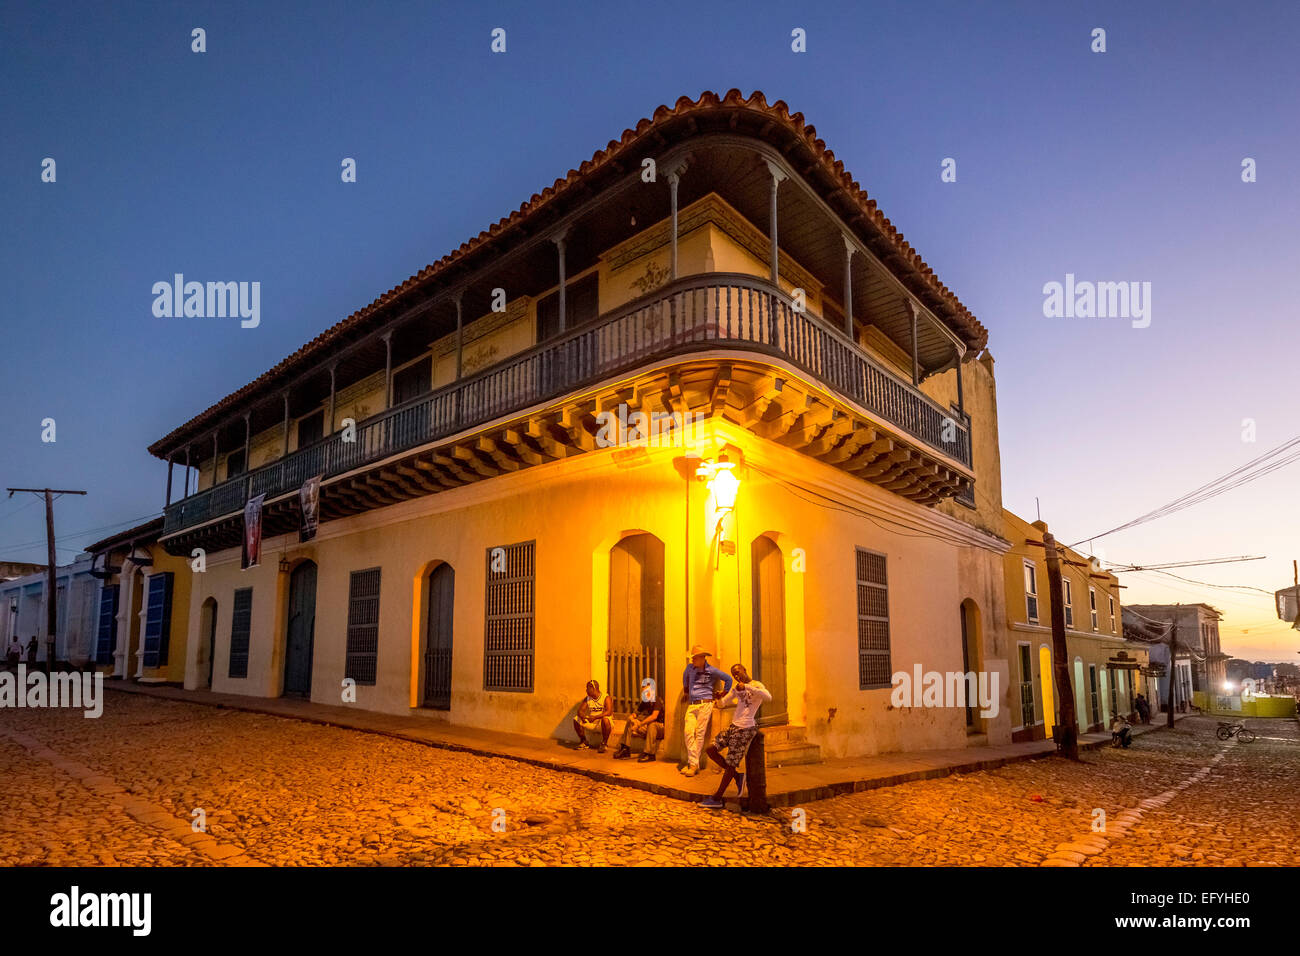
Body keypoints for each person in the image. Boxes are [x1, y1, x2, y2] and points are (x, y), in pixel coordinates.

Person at [701, 664, 771, 808]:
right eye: (734, 674)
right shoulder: (736, 688)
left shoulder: (756, 685)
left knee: (731, 762)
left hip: (746, 728)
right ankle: (738, 777)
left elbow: (768, 697)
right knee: (710, 749)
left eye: (738, 672)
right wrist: (719, 698)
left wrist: (747, 687)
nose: (736, 676)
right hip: (734, 726)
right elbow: (722, 704)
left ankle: (717, 798)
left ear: (745, 670)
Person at [680, 645, 731, 777]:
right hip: (692, 704)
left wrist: (723, 693)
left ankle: (692, 765)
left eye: (695, 658)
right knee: (688, 732)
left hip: (705, 704)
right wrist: (686, 691)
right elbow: (685, 677)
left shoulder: (712, 670)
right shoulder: (689, 668)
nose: (693, 660)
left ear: (702, 658)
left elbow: (728, 679)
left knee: (700, 734)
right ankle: (694, 763)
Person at [613, 677, 665, 762]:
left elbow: (654, 717)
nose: (645, 694)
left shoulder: (657, 700)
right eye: (644, 692)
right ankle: (625, 749)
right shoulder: (645, 701)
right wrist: (632, 717)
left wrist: (639, 725)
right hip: (649, 729)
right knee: (630, 721)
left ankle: (650, 754)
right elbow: (636, 712)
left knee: (652, 725)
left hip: (661, 728)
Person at [573, 679, 613, 753]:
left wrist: (595, 717)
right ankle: (584, 742)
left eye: (587, 688)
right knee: (576, 719)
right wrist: (583, 717)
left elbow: (609, 712)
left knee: (605, 719)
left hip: (601, 723)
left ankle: (604, 744)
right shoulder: (588, 698)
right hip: (591, 721)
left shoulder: (606, 697)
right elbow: (580, 711)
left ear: (593, 688)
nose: (586, 690)